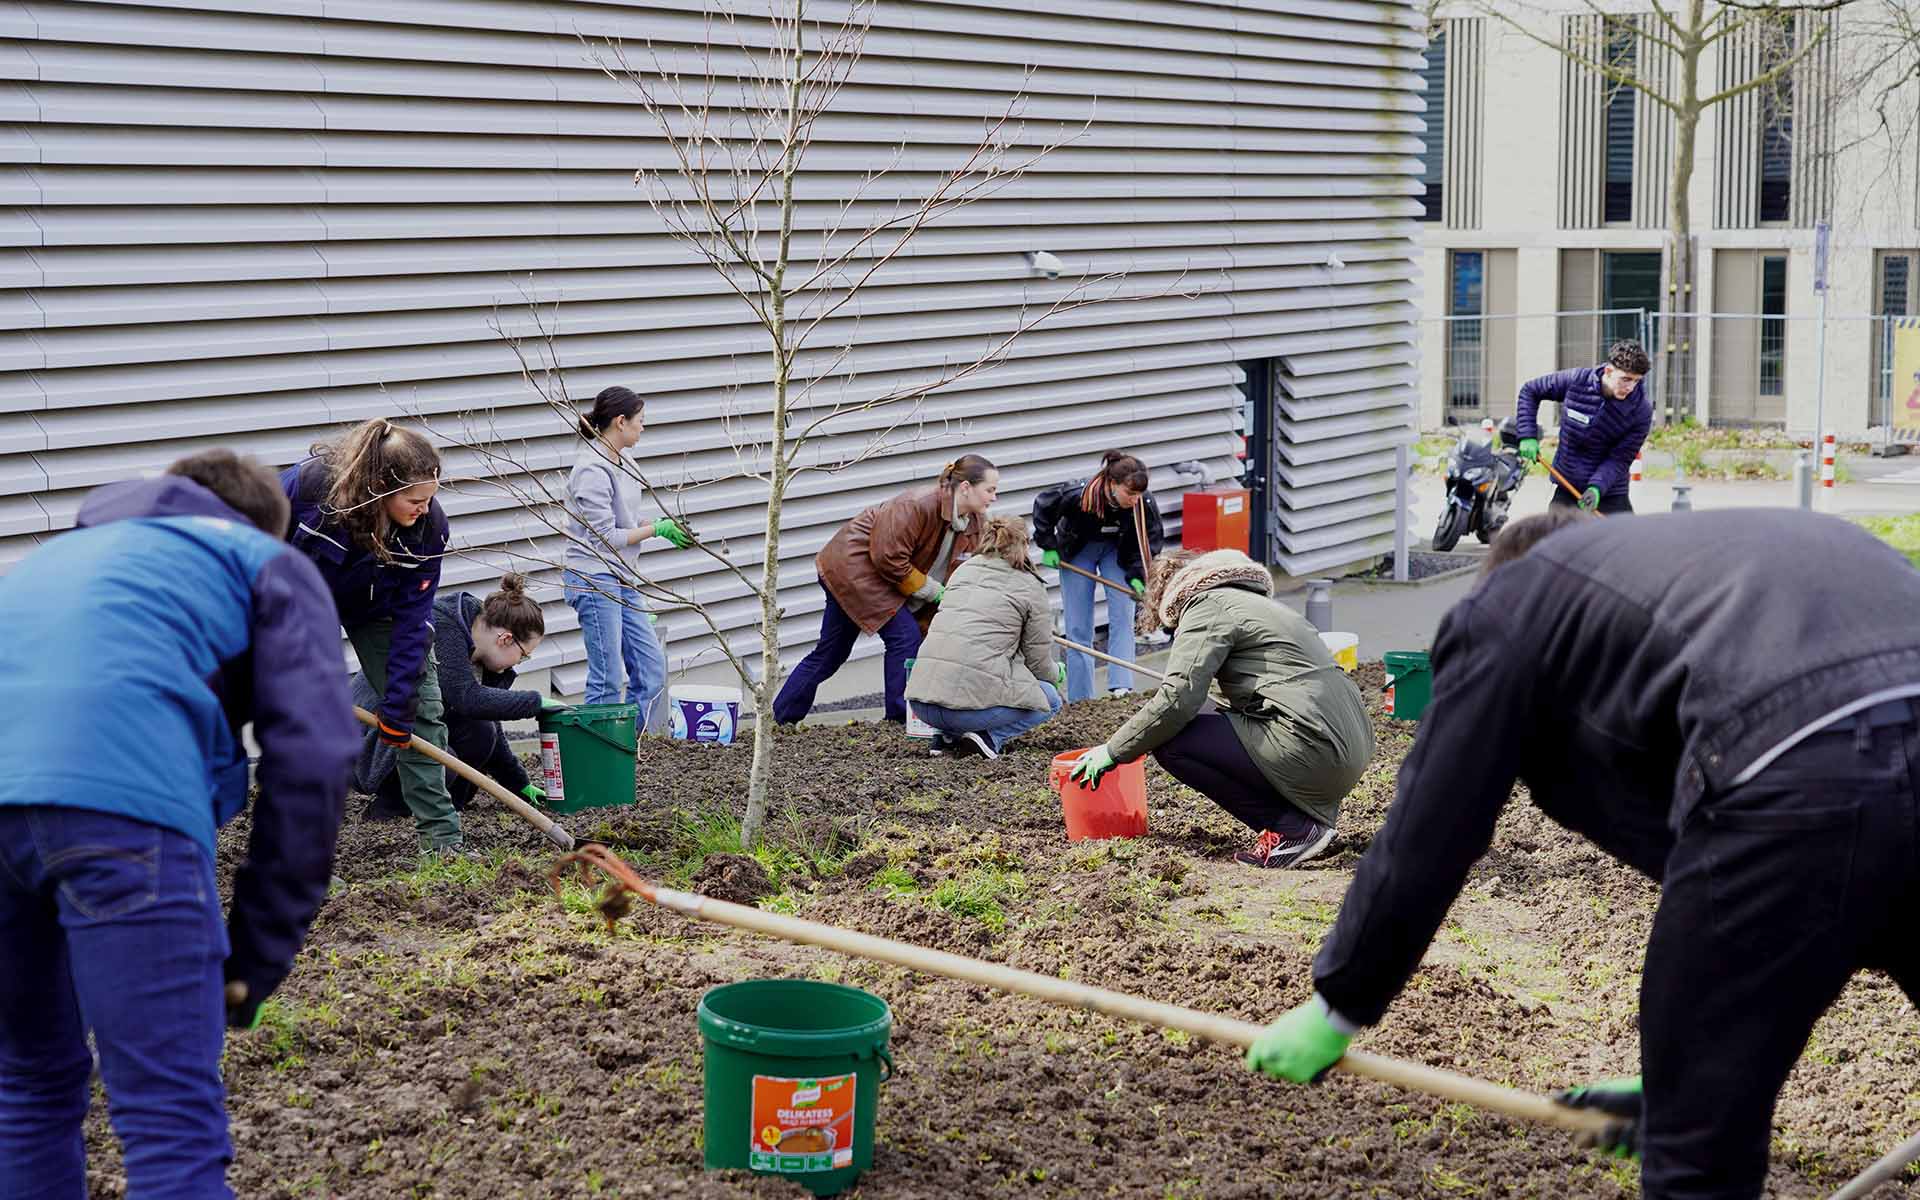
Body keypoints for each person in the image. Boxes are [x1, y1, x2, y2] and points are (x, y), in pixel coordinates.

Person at [1242, 508, 1920, 1200]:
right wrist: (1688, 1066)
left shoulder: (1511, 604)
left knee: (1696, 1164)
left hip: (1797, 762)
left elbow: (1433, 821)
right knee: (1696, 1095)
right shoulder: (1707, 572)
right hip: (1859, 726)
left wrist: (1340, 1003)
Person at [0, 450, 357, 1199]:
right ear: (267, 528)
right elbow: (314, 762)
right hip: (120, 813)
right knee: (169, 1124)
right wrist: (253, 962)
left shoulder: (56, 558)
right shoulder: (264, 562)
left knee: (27, 1087)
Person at [1069, 548, 1374, 868]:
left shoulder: (1206, 606)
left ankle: (1293, 829)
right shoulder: (1253, 601)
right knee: (1203, 711)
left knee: (1173, 742)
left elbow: (1177, 697)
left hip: (1314, 746)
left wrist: (1113, 750)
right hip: (1347, 741)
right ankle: (1299, 821)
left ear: (1167, 594)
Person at [282, 418, 464, 853]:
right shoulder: (309, 491)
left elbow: (412, 618)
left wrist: (399, 700)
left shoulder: (428, 529)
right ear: (380, 486)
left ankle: (441, 841)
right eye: (415, 499)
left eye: (430, 498)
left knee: (421, 707)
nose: (425, 508)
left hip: (376, 608)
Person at [773, 455, 998, 726]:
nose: (994, 498)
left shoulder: (973, 523)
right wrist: (932, 591)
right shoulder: (916, 505)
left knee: (831, 653)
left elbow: (975, 564)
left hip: (881, 578)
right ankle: (899, 719)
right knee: (905, 637)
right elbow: (888, 558)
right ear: (965, 487)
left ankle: (779, 721)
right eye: (990, 489)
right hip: (855, 570)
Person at [356, 573, 558, 816]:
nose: (521, 661)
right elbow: (468, 697)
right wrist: (535, 702)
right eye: (524, 654)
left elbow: (488, 721)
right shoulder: (442, 625)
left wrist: (519, 784)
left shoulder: (481, 657)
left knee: (481, 732)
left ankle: (450, 809)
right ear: (505, 639)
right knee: (442, 763)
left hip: (412, 733)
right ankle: (389, 809)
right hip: (368, 738)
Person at [566, 385, 692, 734]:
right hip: (593, 579)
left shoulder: (625, 461)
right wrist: (655, 530)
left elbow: (624, 526)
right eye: (640, 421)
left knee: (651, 673)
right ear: (620, 422)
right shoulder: (592, 469)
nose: (643, 427)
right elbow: (605, 538)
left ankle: (621, 748)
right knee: (607, 679)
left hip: (621, 580)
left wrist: (660, 528)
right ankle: (596, 763)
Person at [905, 516, 1064, 759]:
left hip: (921, 703)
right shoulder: (1030, 586)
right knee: (1050, 698)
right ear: (1024, 544)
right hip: (964, 711)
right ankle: (989, 739)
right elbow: (1037, 663)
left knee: (966, 675)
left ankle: (945, 737)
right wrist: (1057, 673)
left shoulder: (963, 571)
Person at [1032, 451, 1165, 699]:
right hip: (1079, 550)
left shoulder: (1143, 503)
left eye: (1139, 494)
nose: (1135, 500)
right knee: (1078, 625)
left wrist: (1138, 574)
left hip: (1118, 553)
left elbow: (1151, 538)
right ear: (1112, 485)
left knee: (1123, 614)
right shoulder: (1078, 495)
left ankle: (1121, 687)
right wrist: (1048, 545)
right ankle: (1081, 697)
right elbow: (1043, 506)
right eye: (1130, 494)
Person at [1513, 339, 1652, 515]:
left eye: (1636, 381)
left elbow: (1620, 458)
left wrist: (1596, 488)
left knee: (1621, 541)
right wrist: (1527, 435)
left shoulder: (1641, 411)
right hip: (1568, 484)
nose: (1630, 387)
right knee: (1555, 539)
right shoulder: (1577, 381)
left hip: (1609, 492)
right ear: (1608, 371)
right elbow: (1530, 390)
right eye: (1625, 379)